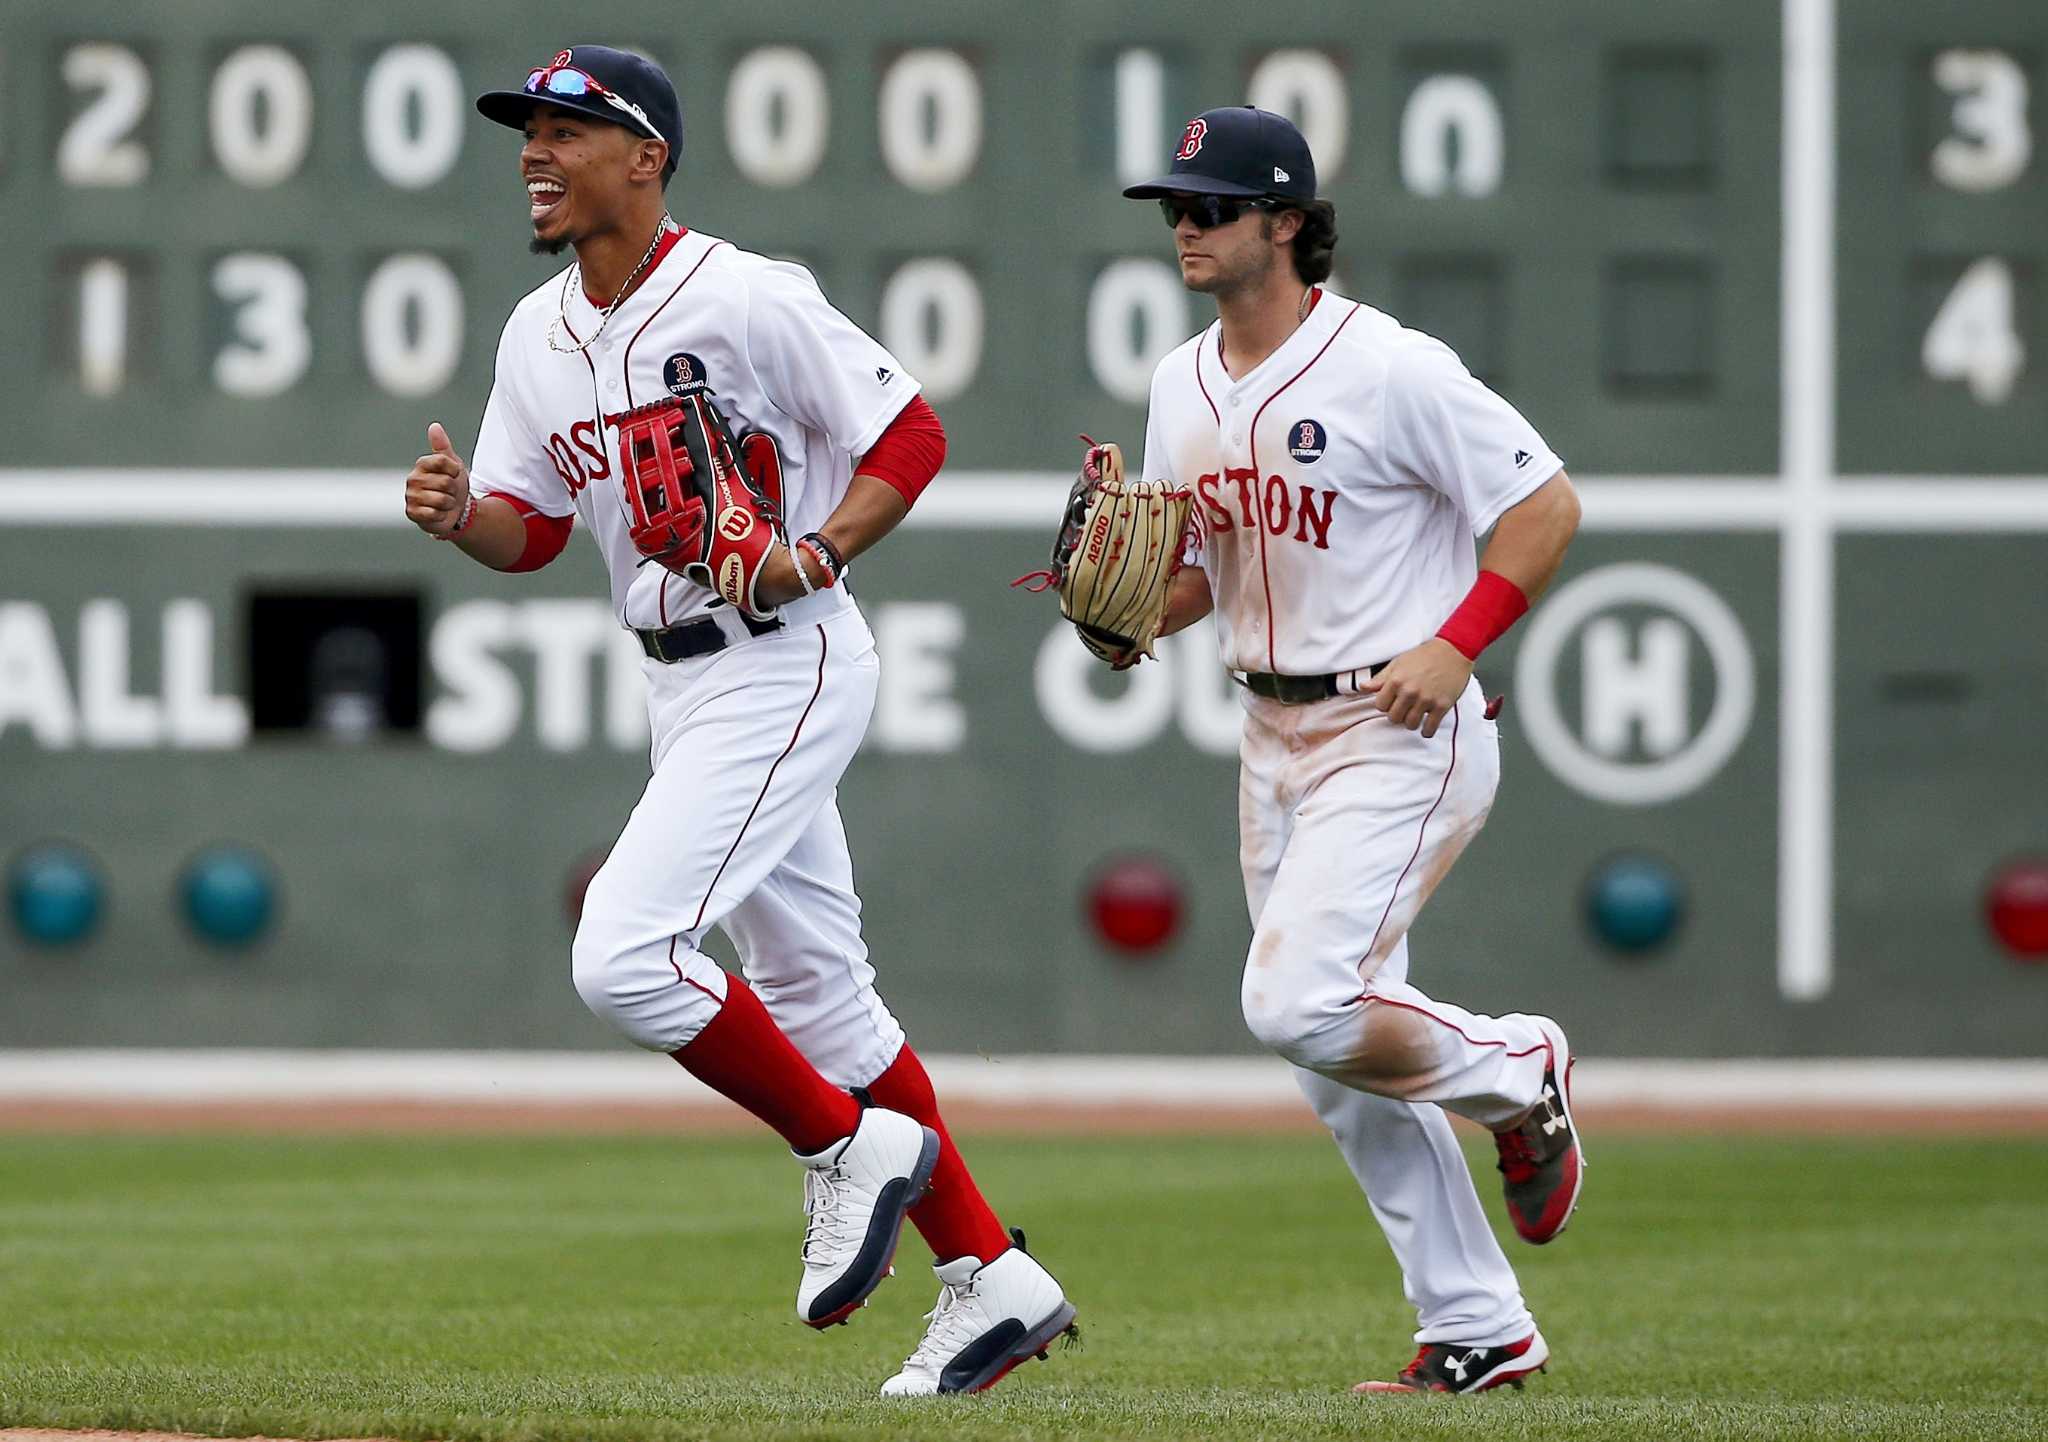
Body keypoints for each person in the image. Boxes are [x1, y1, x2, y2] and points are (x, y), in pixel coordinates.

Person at [402, 45, 1073, 1397]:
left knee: (624, 952)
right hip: (680, 676)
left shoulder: (750, 295)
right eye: (525, 130)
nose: (534, 151)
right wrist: (461, 513)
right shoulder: (536, 334)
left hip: (786, 655)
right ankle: (993, 1274)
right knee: (824, 992)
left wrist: (815, 551)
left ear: (646, 157)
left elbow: (911, 436)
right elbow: (534, 529)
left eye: (565, 131)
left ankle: (842, 1146)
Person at [1120, 106, 1586, 1395]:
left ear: (1285, 221)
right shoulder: (1181, 383)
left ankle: (1519, 1068)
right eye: (1177, 205)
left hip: (1401, 724)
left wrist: (1459, 641)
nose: (1187, 224)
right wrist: (1116, 613)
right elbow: (1191, 580)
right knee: (1332, 1062)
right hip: (1269, 728)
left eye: (1212, 205)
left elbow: (1543, 506)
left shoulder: (1389, 367)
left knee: (1299, 1002)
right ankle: (1480, 1328)